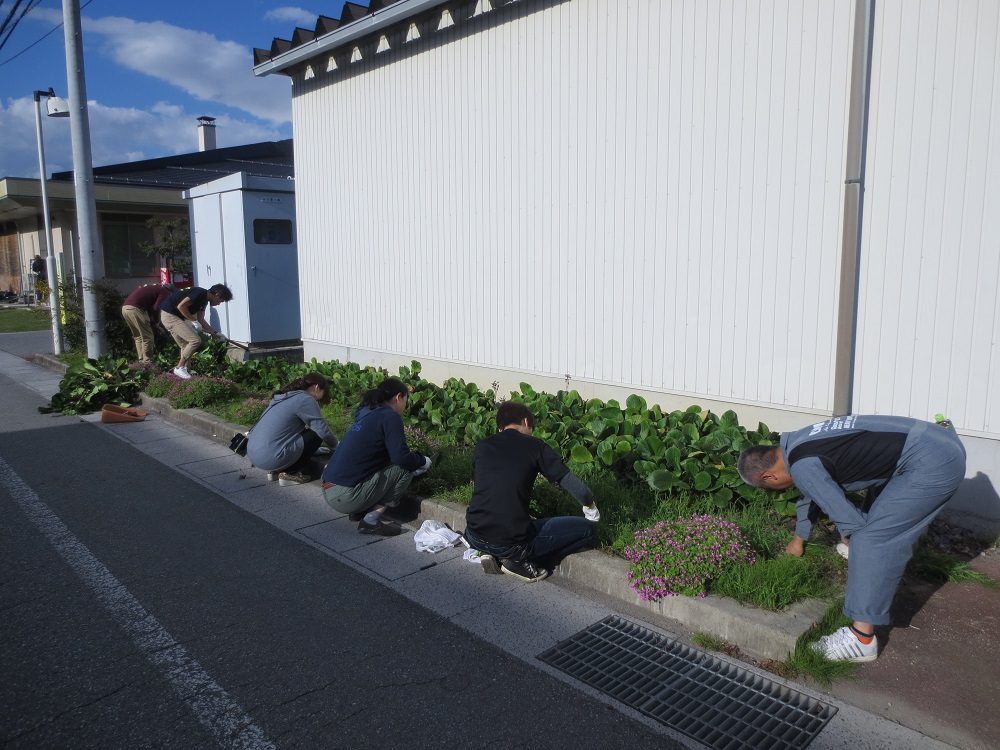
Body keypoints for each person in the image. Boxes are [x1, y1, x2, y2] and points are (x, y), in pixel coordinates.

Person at [737, 415, 966, 663]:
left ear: (769, 478)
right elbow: (812, 491)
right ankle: (881, 564)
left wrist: (857, 546)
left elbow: (850, 521)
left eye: (770, 488)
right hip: (937, 438)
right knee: (872, 523)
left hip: (933, 461)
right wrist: (799, 539)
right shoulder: (797, 444)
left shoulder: (802, 467)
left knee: (870, 539)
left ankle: (861, 639)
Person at [463, 401, 600, 582]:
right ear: (526, 422)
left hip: (474, 534)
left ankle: (490, 553)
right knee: (588, 531)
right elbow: (581, 491)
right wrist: (591, 509)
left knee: (519, 527)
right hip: (512, 542)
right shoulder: (535, 446)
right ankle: (520, 560)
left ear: (500, 426)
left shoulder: (482, 445)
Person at [321, 377, 431, 536]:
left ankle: (360, 509)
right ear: (398, 397)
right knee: (404, 470)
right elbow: (401, 458)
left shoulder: (367, 412)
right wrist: (423, 461)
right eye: (406, 400)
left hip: (329, 487)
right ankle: (370, 521)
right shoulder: (390, 417)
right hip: (345, 496)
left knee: (384, 465)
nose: (405, 406)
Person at [246, 373, 339, 487]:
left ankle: (276, 470)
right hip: (272, 457)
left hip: (255, 454)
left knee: (306, 430)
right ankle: (290, 473)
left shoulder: (284, 396)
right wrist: (337, 447)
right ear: (317, 387)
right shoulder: (305, 399)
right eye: (324, 391)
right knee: (316, 433)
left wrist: (315, 450)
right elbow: (322, 430)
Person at [158, 283, 233, 379]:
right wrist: (193, 321)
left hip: (177, 317)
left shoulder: (204, 301)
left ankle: (184, 376)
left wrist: (215, 333)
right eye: (221, 301)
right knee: (195, 340)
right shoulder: (199, 293)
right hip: (170, 315)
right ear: (217, 294)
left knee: (186, 346)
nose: (219, 304)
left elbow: (201, 320)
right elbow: (181, 306)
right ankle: (179, 367)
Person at [120, 283, 173, 362]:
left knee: (138, 336)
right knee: (148, 336)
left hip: (125, 308)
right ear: (170, 291)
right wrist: (156, 321)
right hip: (136, 308)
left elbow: (150, 307)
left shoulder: (153, 288)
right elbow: (156, 308)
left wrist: (152, 321)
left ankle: (141, 360)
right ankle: (147, 362)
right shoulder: (164, 292)